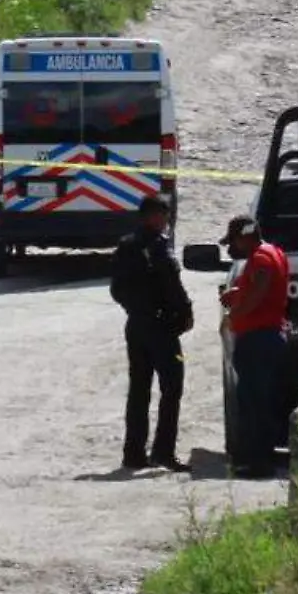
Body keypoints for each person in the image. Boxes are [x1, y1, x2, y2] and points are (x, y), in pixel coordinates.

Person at [110, 195, 194, 472]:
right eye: (163, 215)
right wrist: (182, 313)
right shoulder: (156, 246)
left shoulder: (126, 245)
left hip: (138, 325)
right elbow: (172, 286)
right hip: (159, 327)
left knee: (139, 390)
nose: (166, 220)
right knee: (171, 388)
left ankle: (134, 453)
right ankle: (163, 451)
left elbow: (117, 290)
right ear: (151, 216)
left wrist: (137, 309)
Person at [218, 215, 290, 480]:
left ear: (246, 236)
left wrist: (234, 314)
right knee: (261, 400)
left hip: (257, 339)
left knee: (254, 402)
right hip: (268, 336)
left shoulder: (260, 258)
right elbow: (262, 290)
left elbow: (260, 291)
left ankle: (258, 462)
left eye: (234, 240)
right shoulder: (274, 253)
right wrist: (237, 293)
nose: (232, 248)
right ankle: (261, 457)